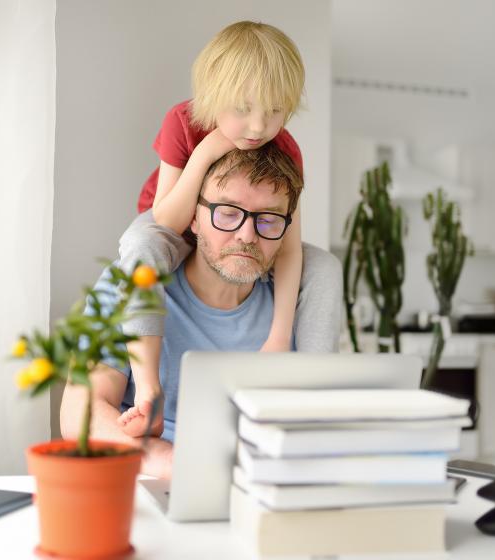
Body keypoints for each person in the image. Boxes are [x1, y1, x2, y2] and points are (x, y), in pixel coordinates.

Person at [60, 144, 342, 478]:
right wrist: (166, 461)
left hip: (259, 486)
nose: (247, 235)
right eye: (227, 213)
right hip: (149, 479)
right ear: (193, 216)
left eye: (268, 220)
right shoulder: (134, 281)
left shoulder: (301, 303)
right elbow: (81, 411)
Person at [117, 20, 339, 439]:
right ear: (213, 97)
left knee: (324, 266)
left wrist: (277, 338)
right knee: (139, 241)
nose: (258, 127)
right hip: (177, 228)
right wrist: (206, 152)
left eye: (274, 111)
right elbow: (167, 219)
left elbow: (289, 249)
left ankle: (315, 396)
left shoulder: (285, 147)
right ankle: (148, 388)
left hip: (242, 236)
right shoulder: (182, 122)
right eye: (243, 109)